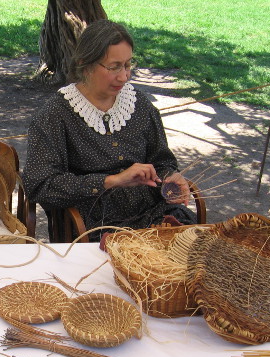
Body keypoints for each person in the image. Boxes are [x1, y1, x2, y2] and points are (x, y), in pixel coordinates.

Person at [22, 20, 197, 241]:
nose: (123, 76)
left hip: (155, 214)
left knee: (195, 250)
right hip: (95, 226)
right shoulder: (55, 115)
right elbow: (40, 185)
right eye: (114, 67)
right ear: (85, 64)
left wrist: (170, 177)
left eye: (127, 65)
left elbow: (161, 161)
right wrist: (112, 181)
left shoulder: (138, 105)